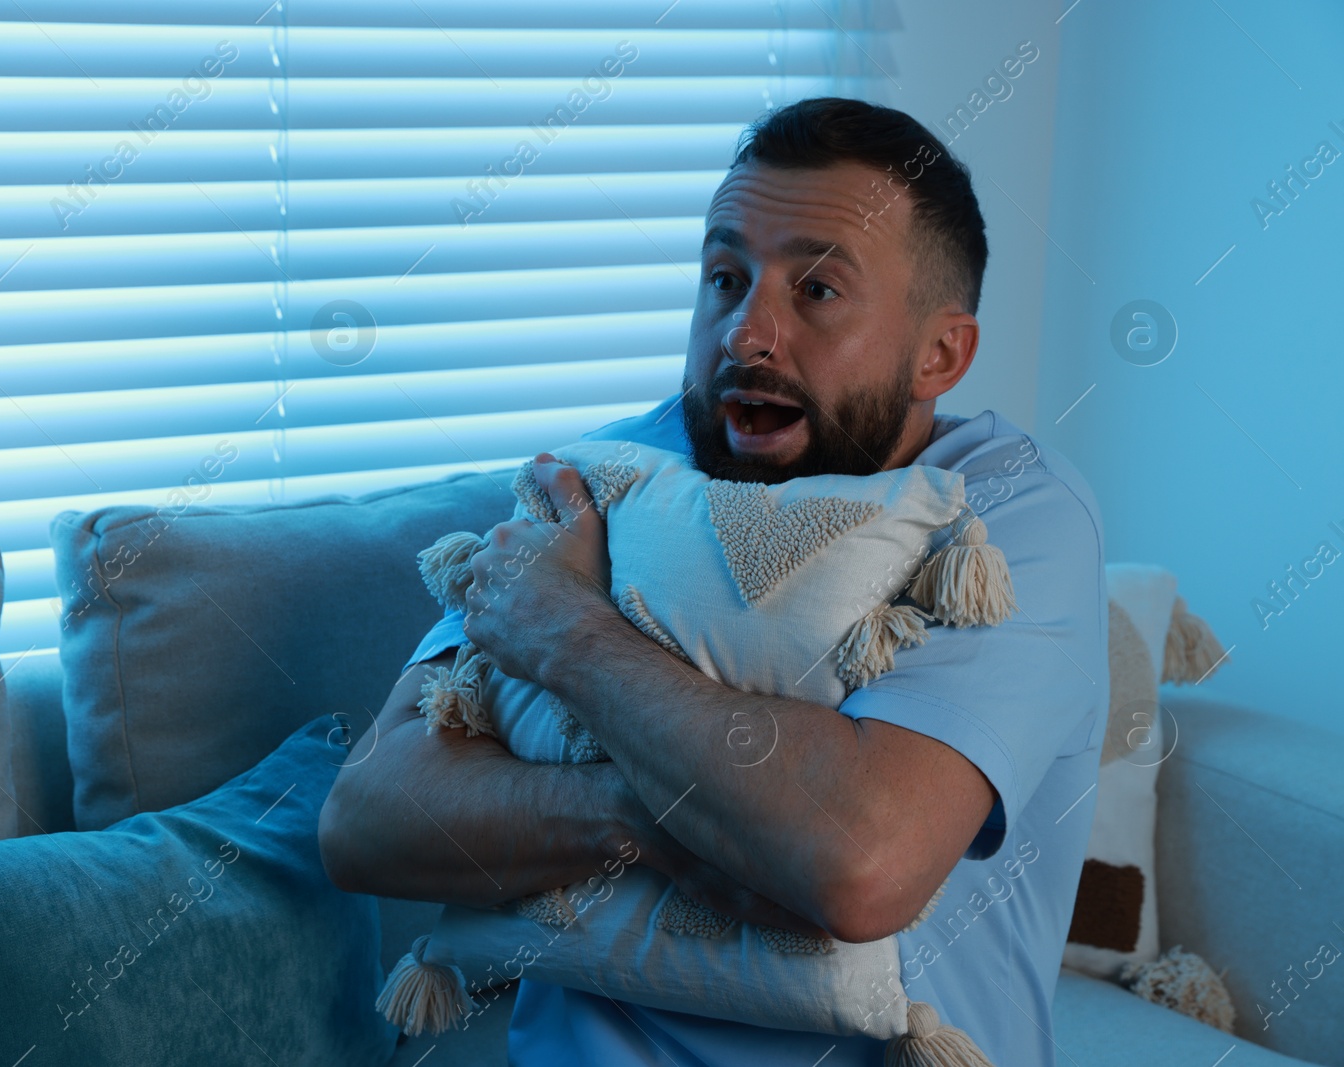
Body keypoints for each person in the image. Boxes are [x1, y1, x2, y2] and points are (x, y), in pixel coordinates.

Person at [320, 96, 1108, 1067]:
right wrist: (663, 816)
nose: (746, 334)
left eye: (815, 291)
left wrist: (570, 636)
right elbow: (367, 818)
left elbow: (860, 864)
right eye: (725, 277)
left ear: (939, 351)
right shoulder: (605, 475)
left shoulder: (1005, 518)